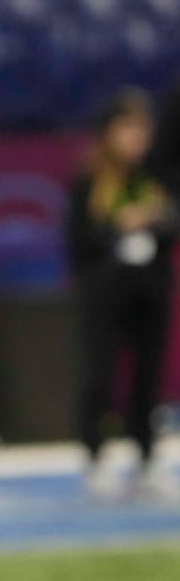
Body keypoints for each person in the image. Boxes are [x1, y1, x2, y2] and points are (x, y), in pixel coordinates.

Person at [65, 88, 179, 501]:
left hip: (150, 289)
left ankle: (147, 456)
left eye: (141, 128)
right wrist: (117, 228)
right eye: (126, 127)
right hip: (106, 292)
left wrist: (155, 220)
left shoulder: (157, 176)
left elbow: (171, 224)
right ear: (109, 132)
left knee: (148, 378)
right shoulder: (91, 179)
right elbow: (79, 240)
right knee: (101, 374)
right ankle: (96, 456)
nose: (135, 137)